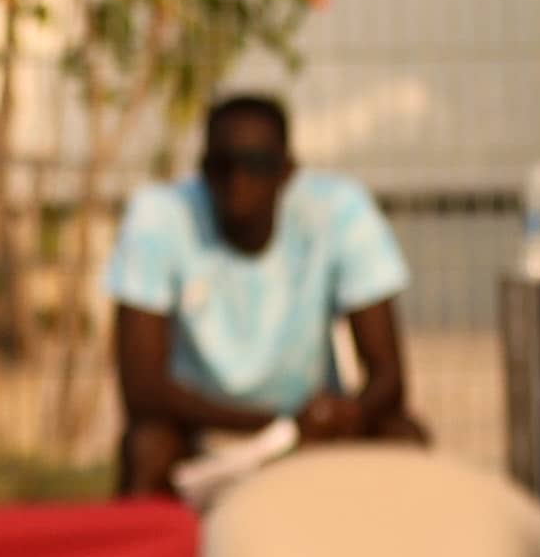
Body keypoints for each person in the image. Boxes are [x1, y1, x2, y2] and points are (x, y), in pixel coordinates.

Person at [108, 90, 420, 499]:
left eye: (257, 164)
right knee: (146, 447)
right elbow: (142, 391)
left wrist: (346, 416)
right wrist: (276, 425)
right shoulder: (158, 215)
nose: (240, 180)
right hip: (204, 432)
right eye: (224, 165)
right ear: (203, 170)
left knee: (405, 438)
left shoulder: (339, 210)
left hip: (313, 431)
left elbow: (389, 377)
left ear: (287, 170)